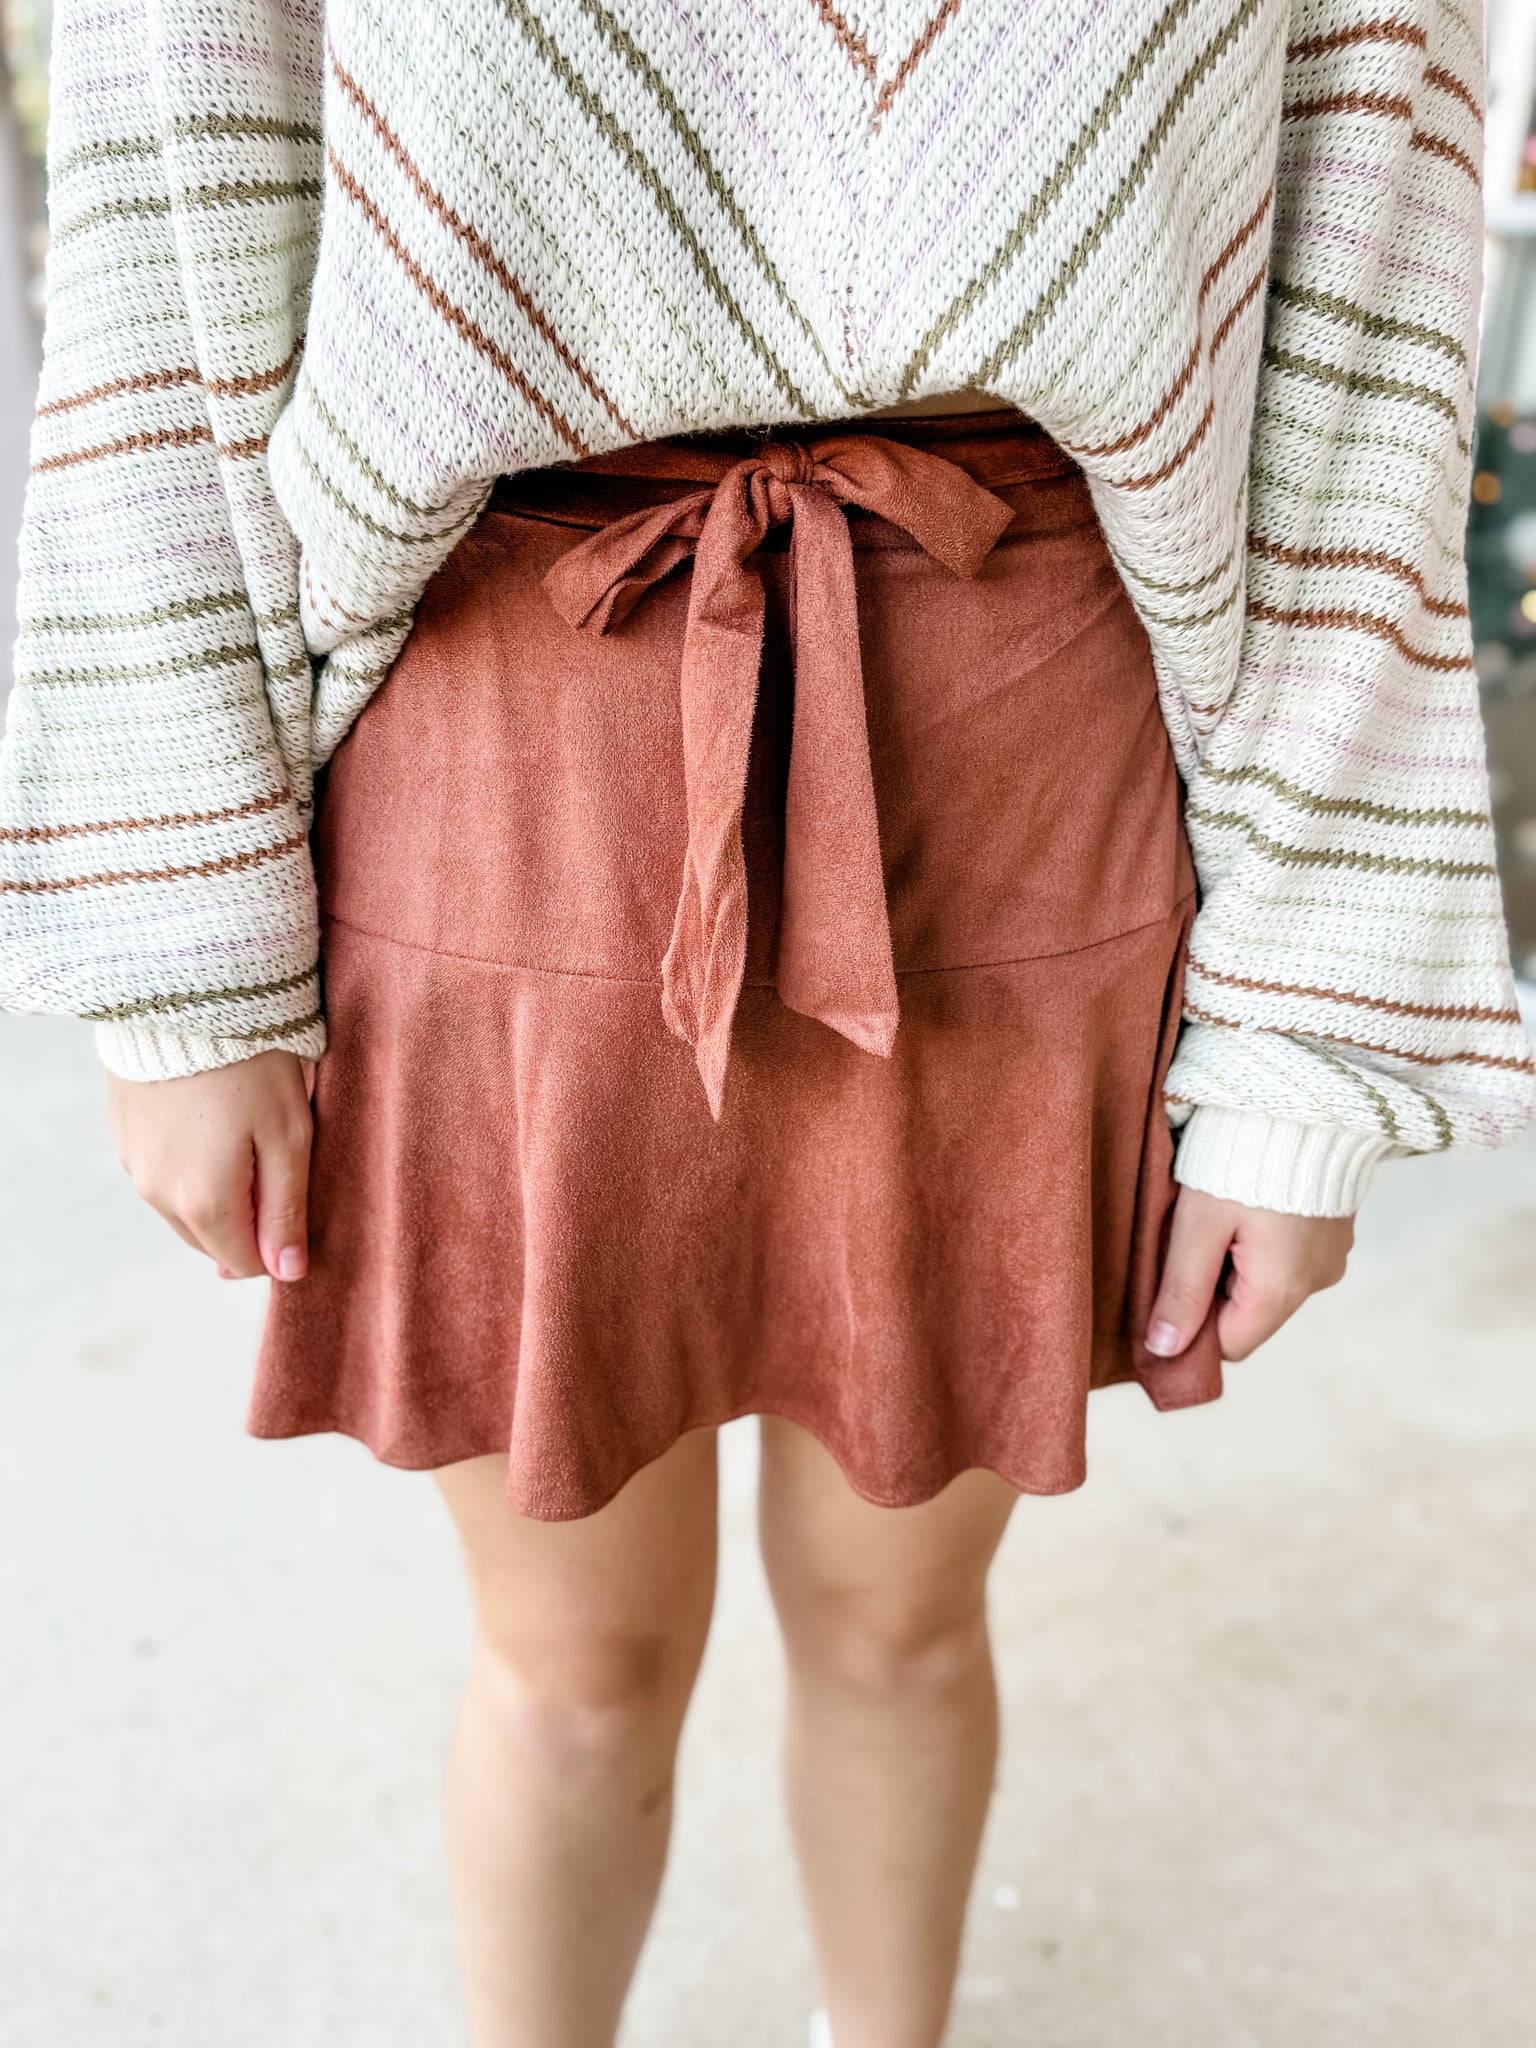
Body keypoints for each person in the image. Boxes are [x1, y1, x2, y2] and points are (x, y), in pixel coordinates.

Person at [3, 3, 1531, 2043]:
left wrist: (1307, 1027)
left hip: (1022, 778)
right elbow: (158, 247)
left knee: (906, 1621)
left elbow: (1373, 343)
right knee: (571, 1660)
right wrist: (182, 940)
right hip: (499, 769)